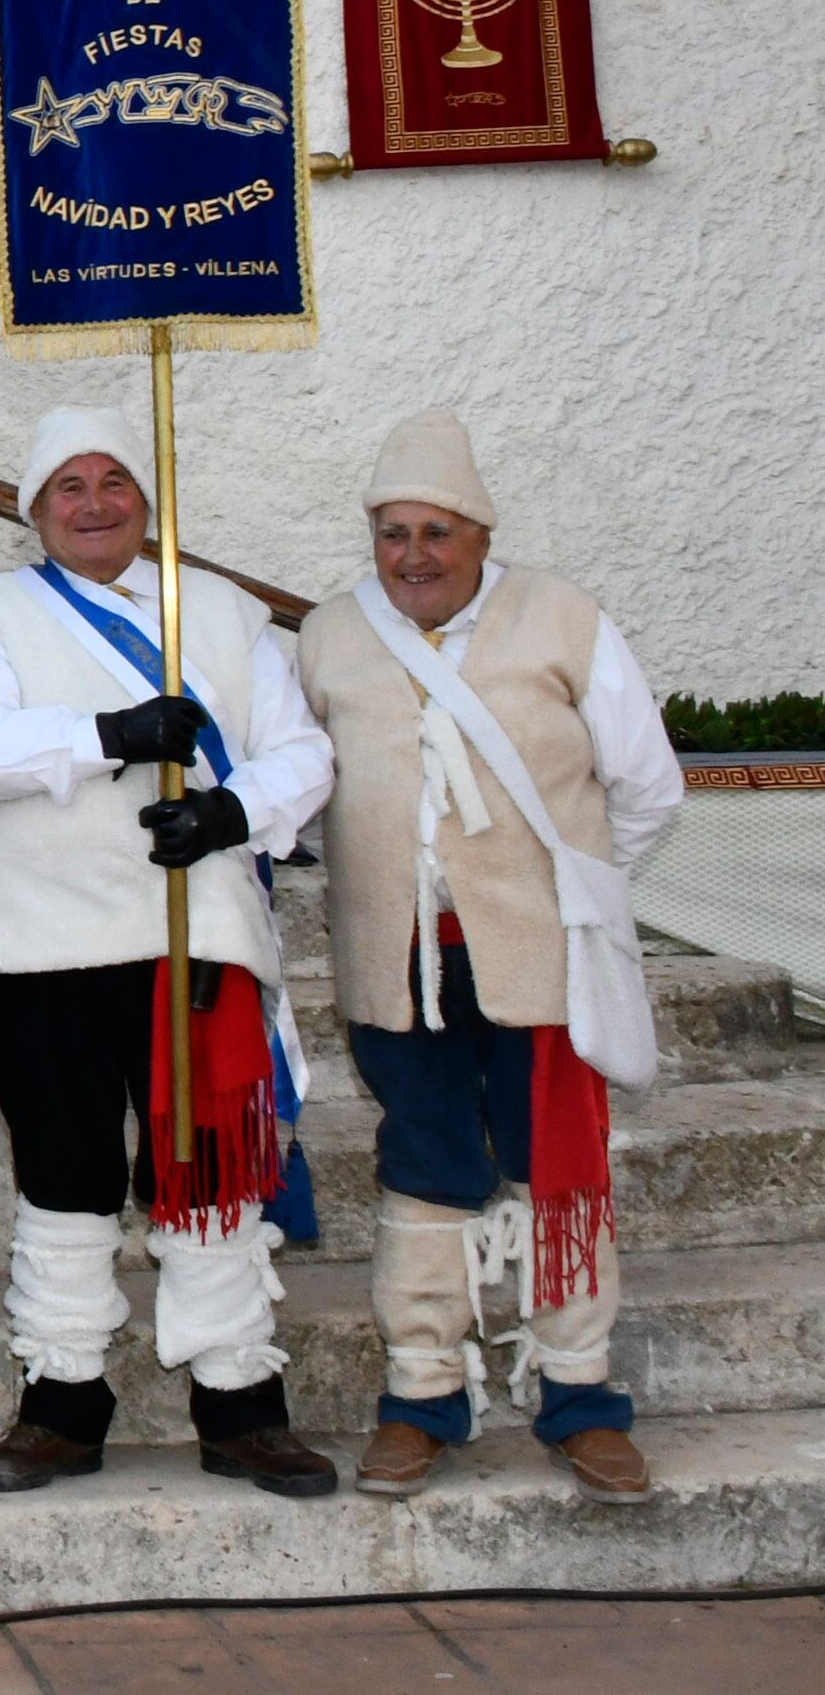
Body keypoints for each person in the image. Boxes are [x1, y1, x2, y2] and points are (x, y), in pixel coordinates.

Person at [0, 405, 342, 1498]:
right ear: (32, 508)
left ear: (144, 499)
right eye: (66, 485)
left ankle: (238, 1401)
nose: (92, 502)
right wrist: (107, 735)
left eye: (112, 480)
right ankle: (62, 1399)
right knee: (64, 1175)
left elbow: (300, 749)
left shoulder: (216, 607)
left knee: (204, 1173)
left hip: (193, 931)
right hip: (41, 942)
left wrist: (228, 811)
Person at [294, 411, 683, 1508]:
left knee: (557, 1163)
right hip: (393, 957)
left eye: (433, 531)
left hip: (539, 960)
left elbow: (644, 787)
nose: (411, 554)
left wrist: (578, 894)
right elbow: (310, 789)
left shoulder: (558, 615)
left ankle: (579, 1397)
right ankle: (419, 1400)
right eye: (389, 533)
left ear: (476, 532)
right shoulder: (328, 634)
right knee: (424, 1160)